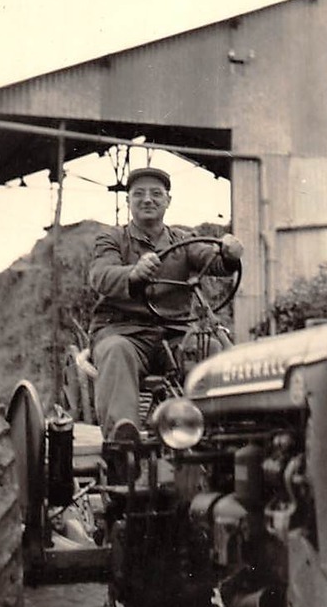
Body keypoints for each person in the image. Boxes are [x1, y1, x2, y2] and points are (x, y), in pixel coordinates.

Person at [89, 166, 243, 443]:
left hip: (174, 335)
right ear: (128, 201)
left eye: (156, 194)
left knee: (213, 350)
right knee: (115, 351)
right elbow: (100, 275)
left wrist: (230, 254)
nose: (148, 199)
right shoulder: (111, 238)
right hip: (124, 332)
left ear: (168, 201)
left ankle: (217, 434)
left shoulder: (184, 240)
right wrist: (132, 273)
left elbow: (214, 260)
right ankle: (123, 440)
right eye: (139, 194)